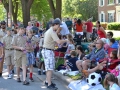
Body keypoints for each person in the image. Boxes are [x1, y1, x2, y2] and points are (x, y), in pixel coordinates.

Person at [41, 18, 69, 90]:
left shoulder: (50, 31)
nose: (59, 27)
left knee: (49, 68)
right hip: (48, 51)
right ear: (55, 25)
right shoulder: (52, 32)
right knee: (49, 69)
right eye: (59, 25)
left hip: (47, 50)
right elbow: (59, 42)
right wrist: (66, 40)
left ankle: (48, 81)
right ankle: (49, 84)